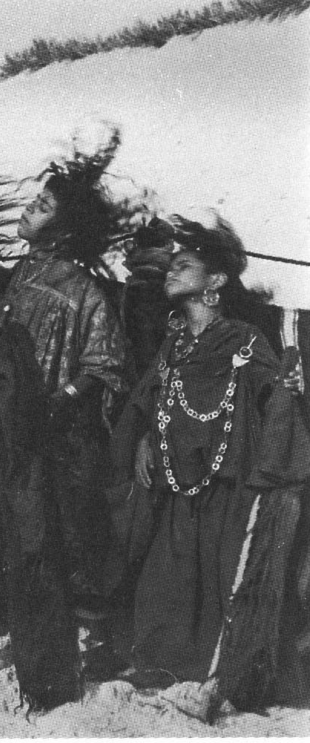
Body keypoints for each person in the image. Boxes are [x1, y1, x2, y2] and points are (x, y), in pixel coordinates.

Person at [111, 212, 309, 718]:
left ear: (216, 281)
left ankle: (221, 681)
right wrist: (143, 444)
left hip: (229, 481)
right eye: (171, 265)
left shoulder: (242, 338)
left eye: (185, 264)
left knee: (225, 578)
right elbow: (150, 395)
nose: (172, 272)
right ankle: (160, 664)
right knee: (168, 574)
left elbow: (276, 394)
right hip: (178, 482)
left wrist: (289, 392)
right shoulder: (175, 339)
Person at [0, 132, 129, 709]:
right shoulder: (15, 278)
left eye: (45, 206)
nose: (30, 209)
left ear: (64, 227)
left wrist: (58, 403)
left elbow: (104, 366)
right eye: (35, 201)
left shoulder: (84, 291)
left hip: (51, 442)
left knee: (45, 546)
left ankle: (56, 670)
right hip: (8, 434)